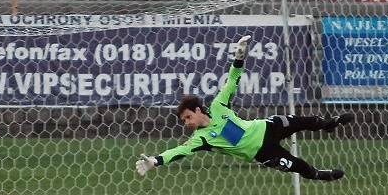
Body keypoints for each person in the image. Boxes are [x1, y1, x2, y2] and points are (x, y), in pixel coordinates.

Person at [135, 34, 353, 181]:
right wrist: (155, 160)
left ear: (199, 110)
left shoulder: (219, 105)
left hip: (266, 127)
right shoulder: (202, 139)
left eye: (188, 117)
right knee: (297, 166)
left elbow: (233, 79)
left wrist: (239, 54)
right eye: (184, 121)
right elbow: (179, 151)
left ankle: (330, 124)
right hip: (263, 152)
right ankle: (320, 175)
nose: (187, 123)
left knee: (304, 121)